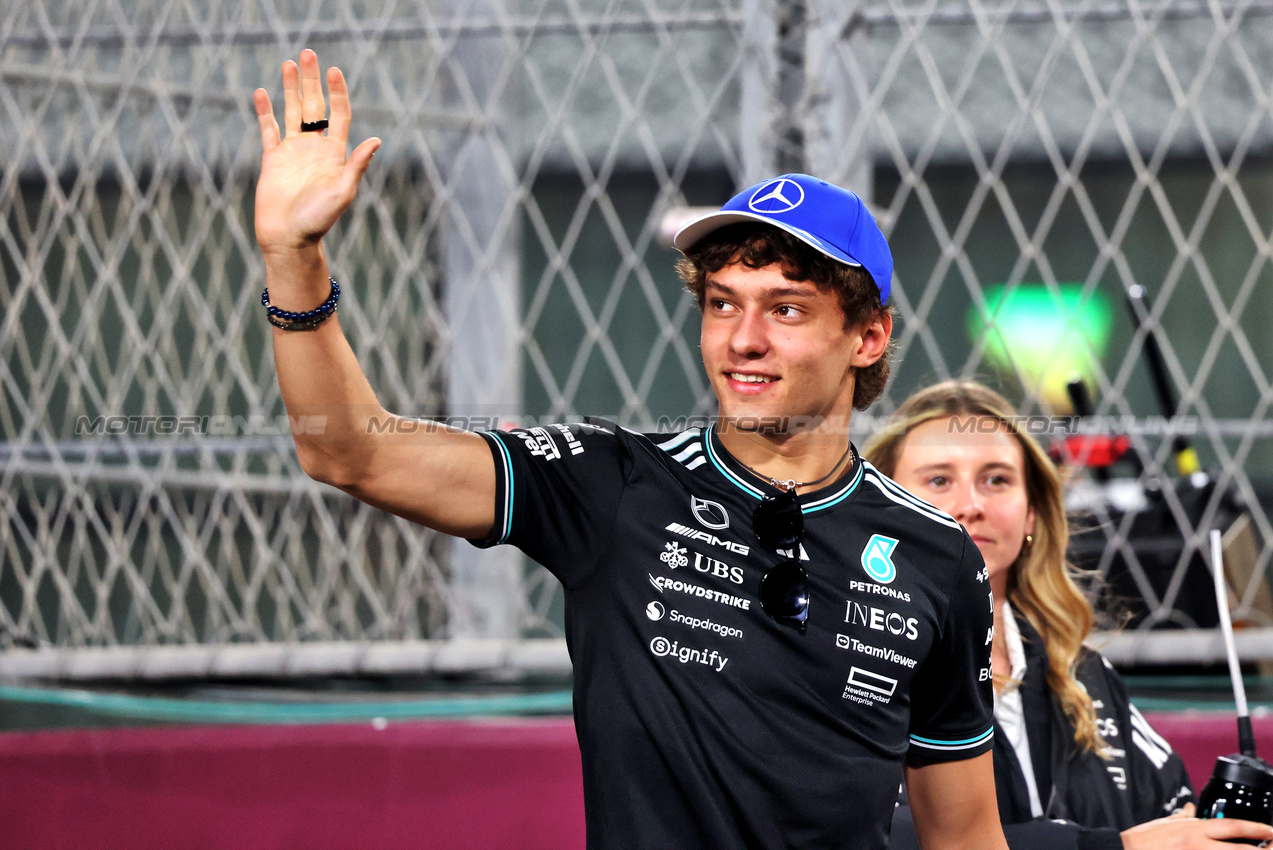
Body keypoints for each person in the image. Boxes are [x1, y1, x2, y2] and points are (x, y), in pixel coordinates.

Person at [253, 49, 1011, 849]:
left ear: (867, 336)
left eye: (785, 310)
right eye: (722, 304)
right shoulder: (611, 482)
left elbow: (963, 835)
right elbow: (351, 453)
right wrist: (292, 260)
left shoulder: (935, 555)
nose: (742, 341)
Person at [864, 380, 1273, 850]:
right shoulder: (851, 659)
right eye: (939, 480)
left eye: (996, 479)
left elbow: (1170, 809)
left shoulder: (1082, 674)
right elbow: (870, 834)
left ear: (1032, 514)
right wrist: (1115, 848)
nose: (971, 506)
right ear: (885, 509)